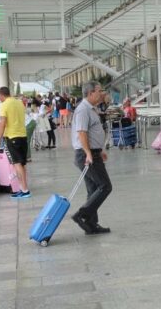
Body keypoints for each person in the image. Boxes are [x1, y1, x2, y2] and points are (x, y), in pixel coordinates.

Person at [71, 81, 113, 235]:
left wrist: (99, 149)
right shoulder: (83, 110)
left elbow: (90, 132)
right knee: (105, 186)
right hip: (86, 154)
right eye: (98, 91)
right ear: (90, 93)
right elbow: (81, 133)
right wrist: (89, 153)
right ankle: (82, 215)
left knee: (93, 189)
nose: (100, 93)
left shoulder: (90, 108)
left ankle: (91, 224)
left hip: (93, 152)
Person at [0, 86, 31, 199]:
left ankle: (25, 190)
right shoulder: (19, 103)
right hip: (23, 136)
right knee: (22, 164)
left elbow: (2, 123)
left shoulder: (4, 105)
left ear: (1, 95)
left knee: (17, 164)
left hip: (12, 137)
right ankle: (22, 188)